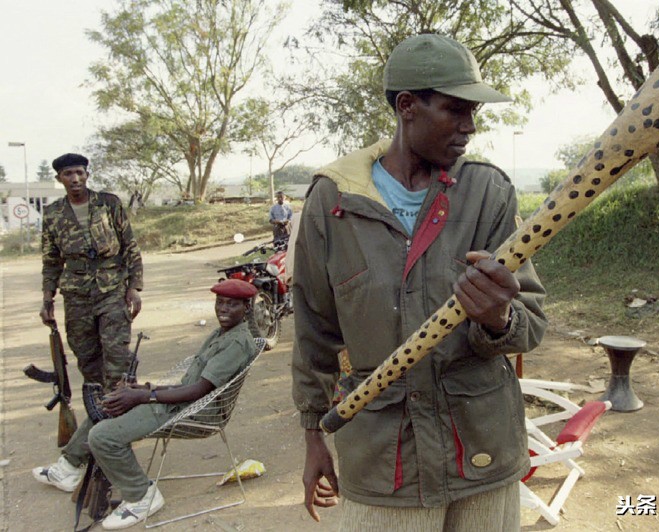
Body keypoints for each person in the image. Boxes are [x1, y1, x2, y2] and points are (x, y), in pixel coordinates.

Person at [291, 34, 548, 530]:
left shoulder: (486, 191)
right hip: (385, 463)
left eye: (473, 112)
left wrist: (498, 318)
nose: (469, 127)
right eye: (455, 110)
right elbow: (313, 330)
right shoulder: (334, 201)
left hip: (482, 450)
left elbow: (530, 322)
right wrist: (312, 436)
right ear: (407, 106)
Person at [35, 279, 259, 530]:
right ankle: (69, 466)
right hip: (181, 404)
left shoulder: (237, 342)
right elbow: (191, 384)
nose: (223, 309)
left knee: (102, 436)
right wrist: (145, 389)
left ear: (247, 308)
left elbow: (199, 390)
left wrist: (144, 397)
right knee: (109, 405)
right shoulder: (222, 333)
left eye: (232, 304)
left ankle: (142, 496)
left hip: (193, 413)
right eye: (220, 302)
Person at [33, 153, 144, 491]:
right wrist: (47, 298)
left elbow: (130, 247)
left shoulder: (109, 204)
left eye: (80, 172)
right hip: (77, 297)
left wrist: (134, 288)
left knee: (116, 368)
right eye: (69, 174)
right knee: (90, 369)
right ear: (60, 179)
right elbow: (51, 260)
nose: (76, 179)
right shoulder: (52, 214)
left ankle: (84, 454)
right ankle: (105, 436)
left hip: (112, 292)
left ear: (87, 174)